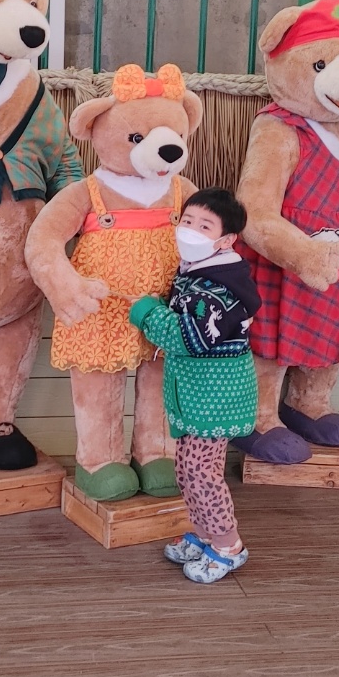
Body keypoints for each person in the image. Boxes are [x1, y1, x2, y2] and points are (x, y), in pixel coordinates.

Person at [128, 188, 261, 583]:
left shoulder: (219, 287)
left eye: (205, 226)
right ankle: (205, 535)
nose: (190, 230)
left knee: (202, 473)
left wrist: (147, 313)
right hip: (195, 397)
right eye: (187, 220)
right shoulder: (195, 272)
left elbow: (188, 339)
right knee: (187, 469)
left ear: (226, 240)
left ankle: (228, 545)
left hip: (215, 400)